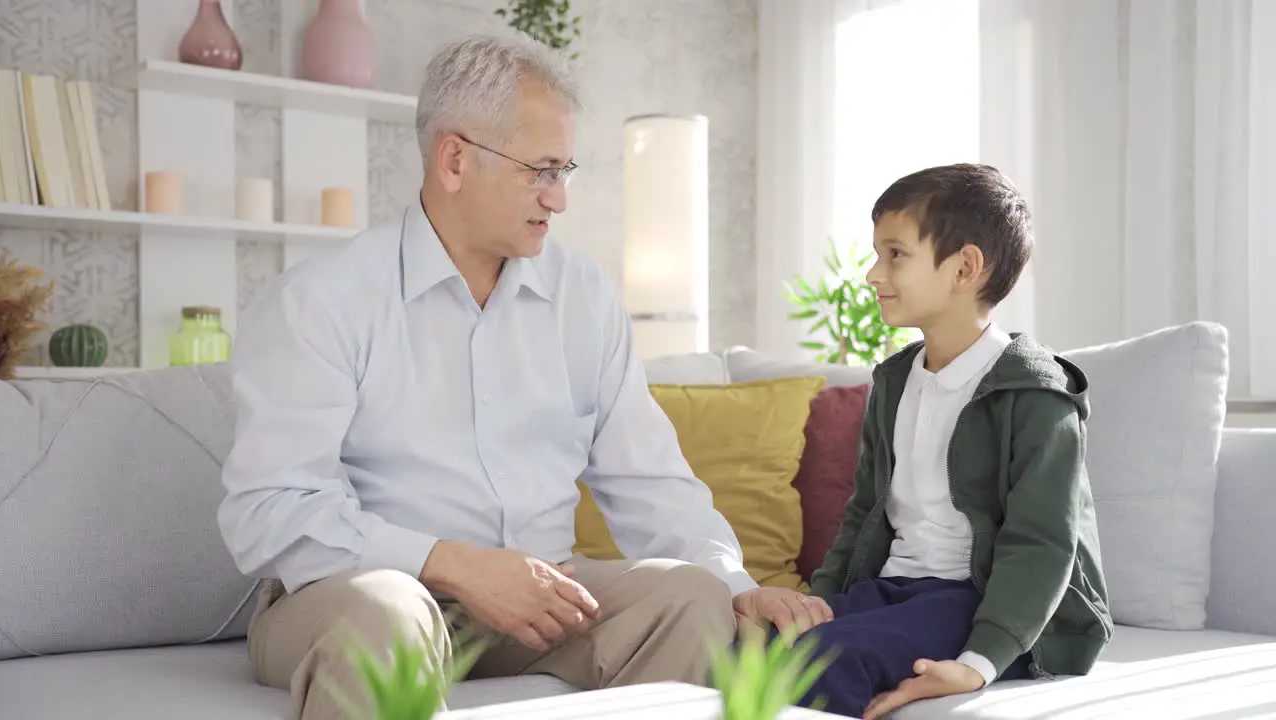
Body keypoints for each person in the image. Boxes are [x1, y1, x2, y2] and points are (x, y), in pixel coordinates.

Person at [217, 33, 830, 720]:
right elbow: (266, 511)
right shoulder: (321, 301)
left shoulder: (585, 298)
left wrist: (733, 580)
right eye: (540, 171)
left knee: (689, 595)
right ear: (454, 160)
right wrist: (452, 564)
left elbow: (648, 479)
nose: (560, 198)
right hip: (360, 597)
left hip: (539, 603)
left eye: (566, 169)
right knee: (387, 615)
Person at [798, 164, 1113, 719]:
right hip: (898, 589)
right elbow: (864, 514)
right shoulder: (894, 381)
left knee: (827, 660)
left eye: (895, 254)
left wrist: (979, 662)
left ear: (965, 267)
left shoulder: (1036, 392)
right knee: (752, 651)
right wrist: (817, 604)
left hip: (985, 601)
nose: (873, 274)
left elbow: (1042, 544)